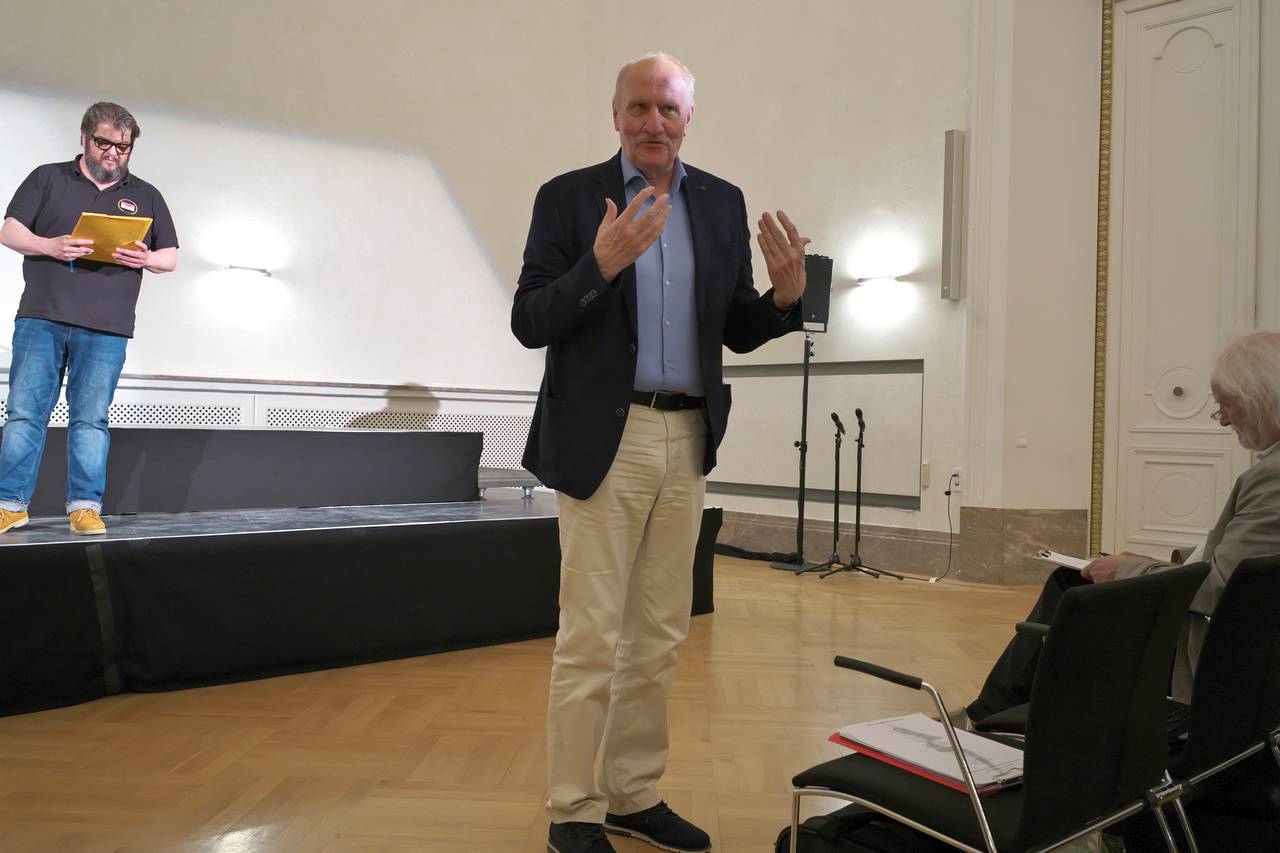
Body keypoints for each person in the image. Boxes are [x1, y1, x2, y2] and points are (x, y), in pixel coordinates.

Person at [512, 52, 810, 853]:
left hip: (688, 435)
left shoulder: (720, 202)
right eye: (639, 107)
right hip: (604, 439)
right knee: (590, 636)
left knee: (660, 634)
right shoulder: (568, 197)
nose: (653, 122)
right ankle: (574, 809)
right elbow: (530, 319)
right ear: (616, 115)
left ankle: (633, 792)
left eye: (668, 109)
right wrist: (601, 264)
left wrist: (784, 301)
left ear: (688, 119)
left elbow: (735, 326)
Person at [960, 332, 1280, 726]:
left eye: (1226, 405)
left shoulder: (1273, 476)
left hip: (1214, 649)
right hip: (1240, 632)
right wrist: (1168, 563)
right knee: (1077, 582)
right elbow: (1243, 560)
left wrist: (1128, 569)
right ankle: (1000, 713)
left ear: (1261, 398)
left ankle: (993, 718)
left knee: (1073, 588)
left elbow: (1224, 588)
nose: (1225, 419)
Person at [0, 102, 178, 536]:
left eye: (123, 147)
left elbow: (170, 257)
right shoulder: (48, 178)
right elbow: (9, 231)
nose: (113, 153)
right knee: (25, 413)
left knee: (91, 418)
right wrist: (50, 246)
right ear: (84, 138)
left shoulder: (146, 194)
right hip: (42, 317)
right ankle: (9, 504)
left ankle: (84, 506)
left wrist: (145, 257)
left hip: (106, 327)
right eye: (104, 143)